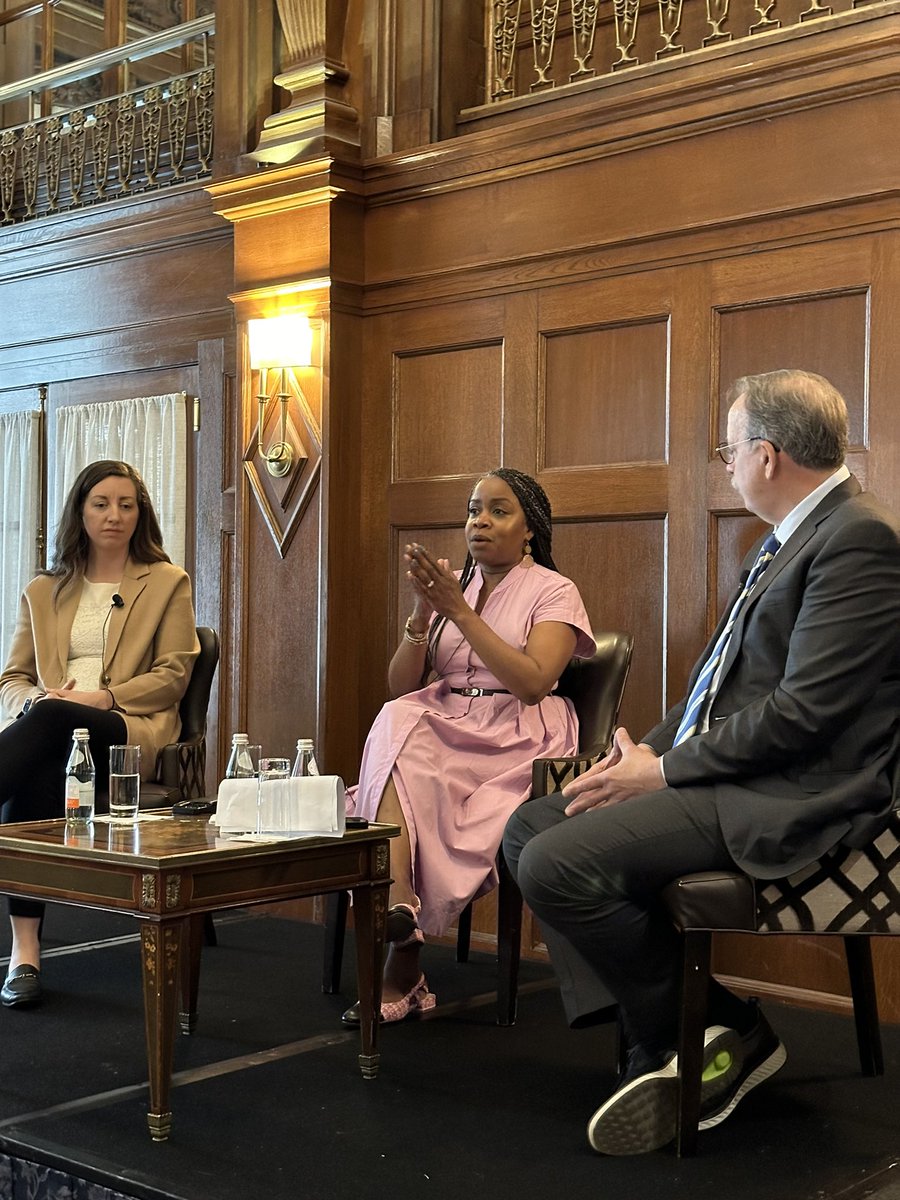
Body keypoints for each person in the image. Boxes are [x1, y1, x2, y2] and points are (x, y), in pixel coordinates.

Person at [503, 369, 900, 1156]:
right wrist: (642, 753)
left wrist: (664, 774)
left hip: (793, 791)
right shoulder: (789, 539)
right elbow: (716, 693)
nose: (724, 462)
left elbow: (805, 717)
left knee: (555, 864)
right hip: (734, 772)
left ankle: (715, 1036)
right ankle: (687, 1035)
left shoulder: (860, 539)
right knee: (529, 826)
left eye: (728, 447)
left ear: (768, 453)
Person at [344, 468, 596, 1025]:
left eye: (498, 511)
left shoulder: (554, 590)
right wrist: (420, 613)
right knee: (396, 717)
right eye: (472, 509)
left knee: (404, 746)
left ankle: (400, 947)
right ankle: (400, 905)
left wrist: (458, 610)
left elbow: (532, 682)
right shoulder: (454, 585)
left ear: (530, 529)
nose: (479, 521)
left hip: (518, 730)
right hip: (448, 719)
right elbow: (402, 685)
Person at [0, 460, 199, 1010]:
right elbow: (13, 679)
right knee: (42, 742)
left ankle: (24, 949)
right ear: (80, 511)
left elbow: (174, 674)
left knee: (53, 720)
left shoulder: (166, 582)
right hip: (52, 730)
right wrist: (37, 700)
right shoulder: (44, 589)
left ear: (140, 514)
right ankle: (24, 953)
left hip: (125, 728)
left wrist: (102, 698)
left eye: (126, 505)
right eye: (101, 503)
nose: (114, 515)